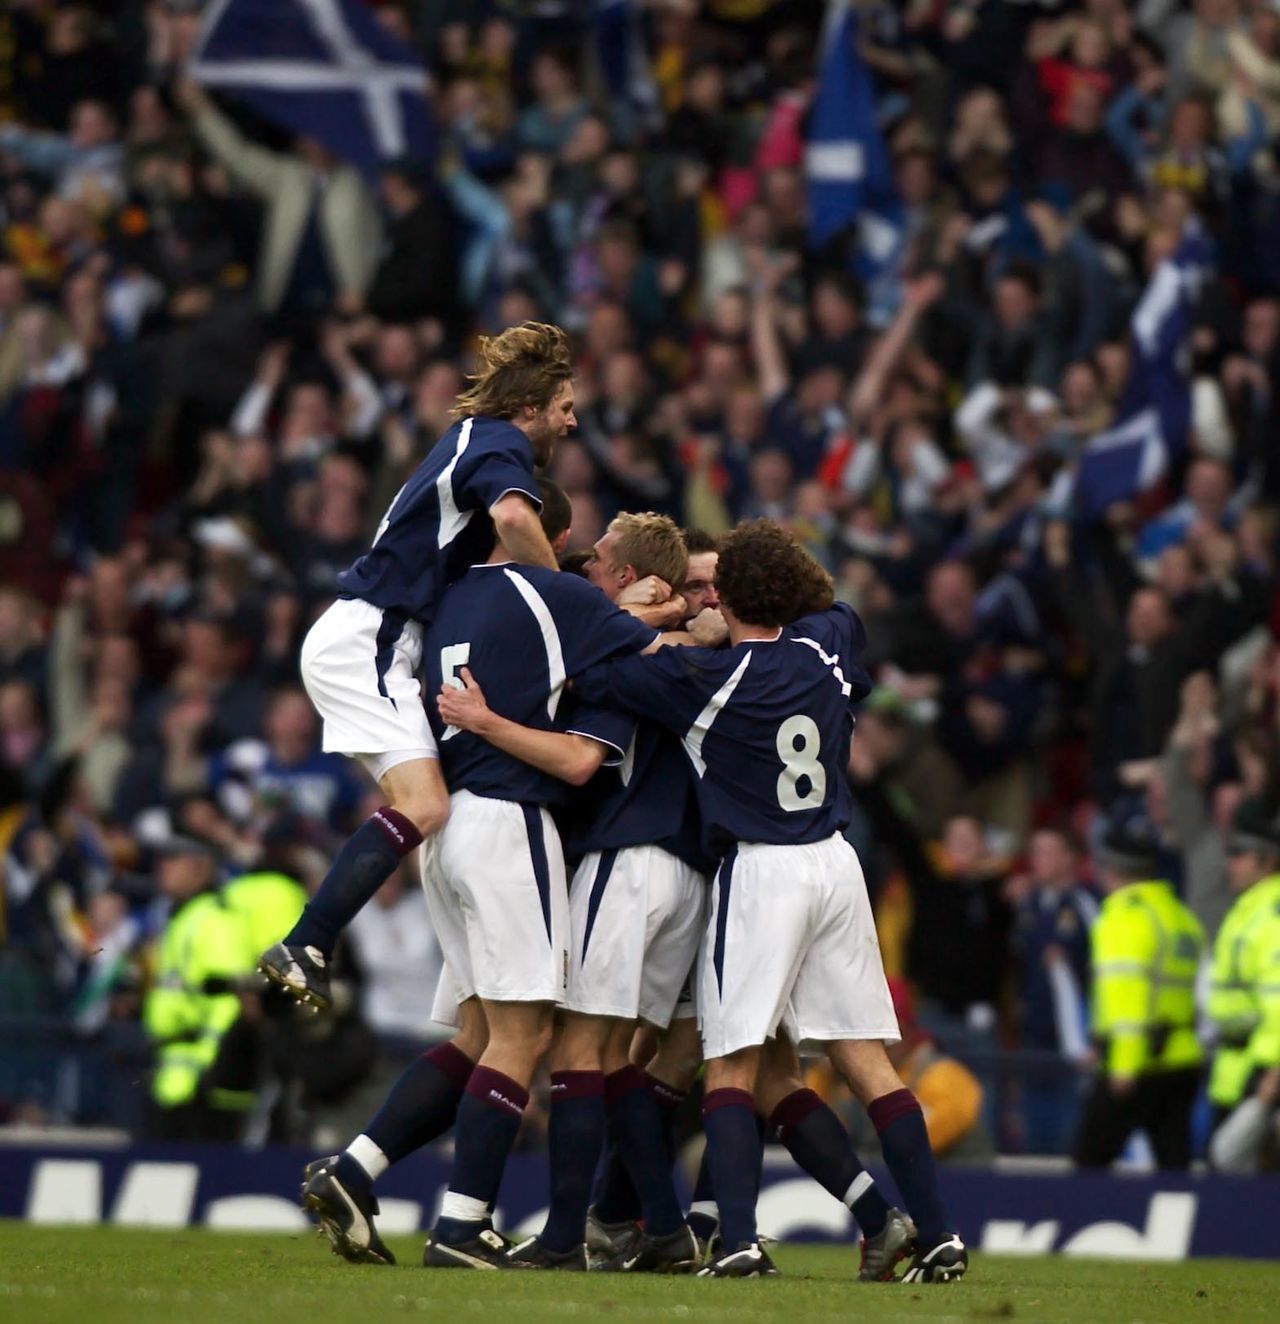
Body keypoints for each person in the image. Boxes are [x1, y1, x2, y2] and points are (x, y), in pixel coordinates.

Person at [574, 520, 967, 1282]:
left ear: (721, 597)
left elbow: (594, 668)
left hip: (761, 871)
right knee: (869, 1064)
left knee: (730, 1064)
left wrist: (665, 627)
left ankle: (739, 1242)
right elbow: (829, 605)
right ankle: (940, 1234)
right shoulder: (828, 644)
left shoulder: (701, 683)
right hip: (835, 863)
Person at [296, 483, 658, 1267]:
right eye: (576, 554)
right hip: (507, 822)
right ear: (551, 541)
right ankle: (463, 1224)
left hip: (448, 825)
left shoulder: (451, 597)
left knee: (479, 1032)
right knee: (526, 1035)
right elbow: (641, 658)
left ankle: (355, 1169)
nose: (580, 565)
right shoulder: (558, 595)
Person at [260, 323, 575, 1010]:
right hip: (372, 637)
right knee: (427, 803)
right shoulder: (501, 442)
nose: (572, 420)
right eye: (564, 405)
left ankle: (310, 942)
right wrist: (570, 604)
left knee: (430, 801)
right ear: (529, 406)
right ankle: (307, 940)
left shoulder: (467, 444)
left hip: (375, 637)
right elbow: (519, 522)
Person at [437, 512, 706, 1271]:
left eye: (600, 564)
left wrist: (487, 720)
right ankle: (663, 1227)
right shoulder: (681, 653)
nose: (584, 572)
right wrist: (670, 617)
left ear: (624, 577)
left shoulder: (607, 654)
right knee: (616, 1057)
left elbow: (577, 731)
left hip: (626, 858)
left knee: (574, 1053)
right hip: (682, 868)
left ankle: (562, 1239)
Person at [1072, 821, 1205, 1171]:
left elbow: (1128, 997)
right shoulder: (1179, 916)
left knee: (1087, 1165)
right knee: (1174, 1167)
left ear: (1109, 868)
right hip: (1182, 1059)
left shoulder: (1123, 916)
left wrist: (1123, 1064)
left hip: (1138, 1063)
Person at [142, 831, 257, 1141]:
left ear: (201, 867)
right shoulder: (182, 918)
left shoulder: (213, 920)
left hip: (201, 1082)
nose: (162, 867)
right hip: (176, 1075)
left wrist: (214, 1066)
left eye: (173, 860)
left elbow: (230, 996)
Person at [1206, 799, 1280, 1172]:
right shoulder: (1247, 908)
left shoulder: (1272, 914)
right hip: (1235, 1072)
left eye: (1239, 854)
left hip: (1261, 1078)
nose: (1229, 863)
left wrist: (1270, 1075)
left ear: (1266, 860)